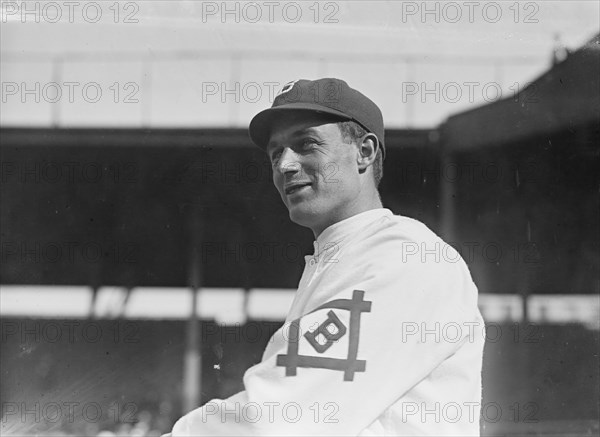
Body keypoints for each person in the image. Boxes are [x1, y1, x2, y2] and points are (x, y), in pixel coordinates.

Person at [167, 78, 485, 436]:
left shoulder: (404, 257)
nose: (285, 165)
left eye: (306, 144)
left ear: (364, 152)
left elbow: (281, 419)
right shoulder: (343, 256)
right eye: (276, 153)